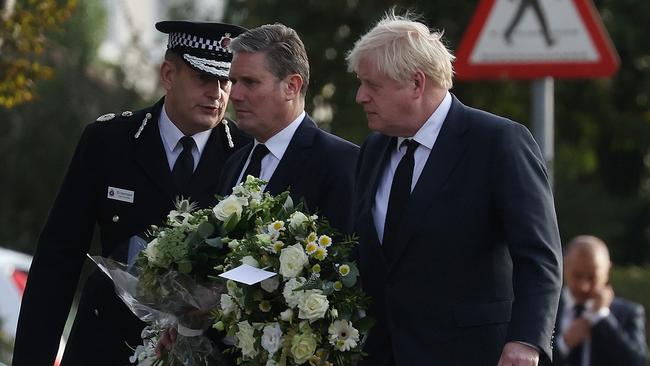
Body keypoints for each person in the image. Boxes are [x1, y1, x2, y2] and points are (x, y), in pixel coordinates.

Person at [12, 21, 250, 366]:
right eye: (203, 78)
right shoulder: (110, 141)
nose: (217, 93)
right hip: (105, 345)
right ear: (168, 74)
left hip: (198, 353)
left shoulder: (245, 156)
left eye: (225, 80)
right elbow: (58, 258)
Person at [346, 10, 562, 366]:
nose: (360, 96)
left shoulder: (498, 142)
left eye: (372, 85)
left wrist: (527, 340)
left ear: (416, 84)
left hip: (474, 353)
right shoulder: (374, 148)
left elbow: (539, 255)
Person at [217, 23, 359, 234]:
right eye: (234, 81)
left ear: (292, 86)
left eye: (250, 82)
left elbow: (344, 256)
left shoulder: (341, 163)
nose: (235, 95)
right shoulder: (234, 163)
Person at [553, 235, 647, 366]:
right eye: (577, 275)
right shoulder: (547, 309)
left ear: (607, 270)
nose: (583, 286)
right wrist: (564, 343)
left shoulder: (629, 313)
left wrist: (601, 316)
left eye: (592, 277)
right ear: (564, 265)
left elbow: (637, 362)